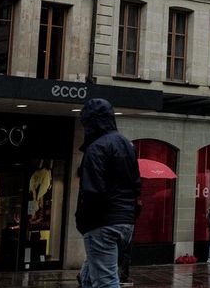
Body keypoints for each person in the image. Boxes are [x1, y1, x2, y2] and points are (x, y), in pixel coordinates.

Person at [74, 98, 141, 288]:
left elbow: (92, 191)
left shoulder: (96, 148)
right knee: (89, 277)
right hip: (125, 221)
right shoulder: (126, 144)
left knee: (105, 281)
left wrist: (83, 221)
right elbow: (136, 184)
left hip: (103, 222)